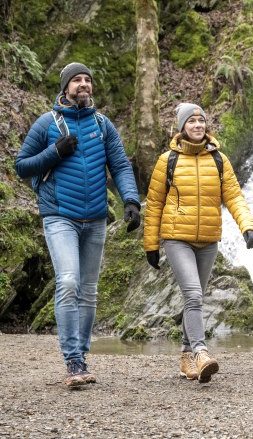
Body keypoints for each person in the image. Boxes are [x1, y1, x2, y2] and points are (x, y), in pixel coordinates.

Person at [16, 62, 141, 387]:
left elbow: (121, 165)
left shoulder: (102, 124)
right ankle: (72, 361)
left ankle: (81, 359)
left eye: (88, 79)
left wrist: (130, 200)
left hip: (96, 217)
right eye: (77, 80)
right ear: (65, 88)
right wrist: (54, 152)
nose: (84, 84)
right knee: (69, 282)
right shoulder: (47, 123)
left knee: (88, 291)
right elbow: (22, 166)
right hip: (59, 216)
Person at [143, 102, 253, 384]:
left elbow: (234, 197)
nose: (197, 125)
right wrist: (151, 245)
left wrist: (248, 226)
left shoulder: (219, 160)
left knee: (194, 299)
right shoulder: (167, 161)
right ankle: (201, 352)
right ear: (182, 128)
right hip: (177, 238)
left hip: (208, 240)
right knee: (193, 294)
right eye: (191, 121)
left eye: (201, 121)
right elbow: (155, 204)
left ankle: (185, 357)